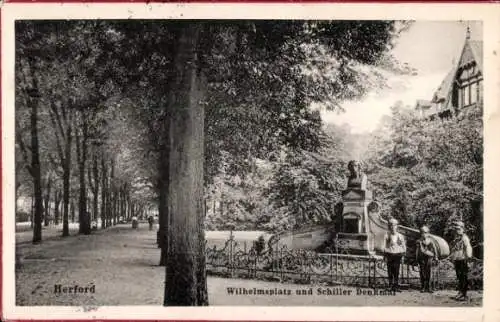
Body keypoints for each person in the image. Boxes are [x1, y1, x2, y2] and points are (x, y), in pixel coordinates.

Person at [449, 221, 473, 301]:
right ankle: (460, 292)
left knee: (463, 277)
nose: (457, 231)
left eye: (459, 229)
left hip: (463, 260)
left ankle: (464, 294)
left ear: (463, 229)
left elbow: (468, 247)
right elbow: (454, 249)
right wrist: (452, 257)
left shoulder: (464, 238)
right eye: (456, 229)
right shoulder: (457, 239)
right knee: (459, 277)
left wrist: (468, 258)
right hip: (457, 260)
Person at [383, 218, 406, 292]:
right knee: (390, 271)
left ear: (397, 226)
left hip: (397, 255)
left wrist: (403, 255)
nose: (392, 227)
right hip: (389, 254)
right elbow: (384, 246)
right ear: (389, 227)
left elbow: (403, 246)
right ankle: (390, 286)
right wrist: (385, 255)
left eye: (394, 225)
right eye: (391, 225)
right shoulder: (387, 235)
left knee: (396, 271)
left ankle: (396, 286)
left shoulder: (400, 236)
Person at [416, 225, 438, 293]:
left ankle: (429, 287)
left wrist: (436, 257)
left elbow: (435, 249)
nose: (424, 234)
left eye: (425, 232)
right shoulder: (419, 241)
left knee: (429, 272)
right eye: (422, 232)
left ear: (428, 233)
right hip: (422, 258)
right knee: (422, 273)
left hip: (429, 258)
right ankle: (423, 287)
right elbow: (417, 251)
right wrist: (416, 259)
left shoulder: (431, 241)